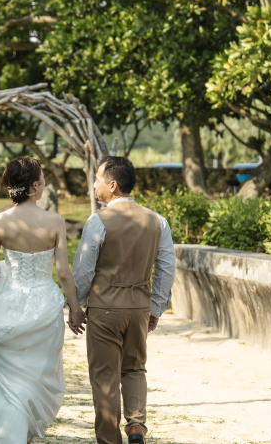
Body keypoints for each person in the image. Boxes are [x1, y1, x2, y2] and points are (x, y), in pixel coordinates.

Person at [0, 156, 85, 444]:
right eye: (43, 178)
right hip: (45, 306)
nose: (45, 183)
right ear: (34, 185)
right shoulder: (55, 221)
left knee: (10, 381)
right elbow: (64, 273)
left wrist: (7, 268)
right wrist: (76, 308)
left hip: (10, 305)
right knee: (35, 376)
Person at [70, 156, 176, 444]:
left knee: (105, 376)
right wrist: (156, 308)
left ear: (112, 185)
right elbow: (166, 268)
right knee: (135, 368)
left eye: (97, 179)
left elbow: (83, 269)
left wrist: (76, 305)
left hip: (105, 308)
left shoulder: (98, 220)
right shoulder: (158, 221)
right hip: (139, 308)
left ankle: (109, 440)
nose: (94, 184)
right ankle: (137, 426)